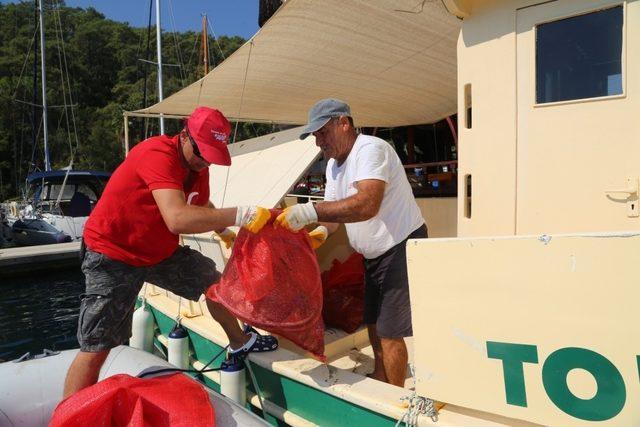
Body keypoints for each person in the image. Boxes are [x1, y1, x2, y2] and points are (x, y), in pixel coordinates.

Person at [63, 107, 278, 398]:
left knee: (215, 285)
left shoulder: (198, 167)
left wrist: (223, 233)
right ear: (185, 135)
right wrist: (241, 214)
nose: (205, 163)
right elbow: (177, 218)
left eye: (212, 158)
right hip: (113, 253)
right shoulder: (156, 154)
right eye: (202, 154)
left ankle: (239, 341)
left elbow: (201, 202)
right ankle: (69, 414)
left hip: (157, 253)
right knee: (97, 345)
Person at [275, 98, 427, 387]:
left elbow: (367, 204)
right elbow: (334, 216)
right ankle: (382, 375)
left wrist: (310, 210)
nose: (318, 142)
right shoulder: (333, 165)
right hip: (373, 253)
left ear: (344, 123)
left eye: (322, 132)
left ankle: (394, 397)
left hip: (400, 245)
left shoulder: (370, 149)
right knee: (372, 319)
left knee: (390, 330)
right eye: (315, 136)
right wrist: (314, 237)